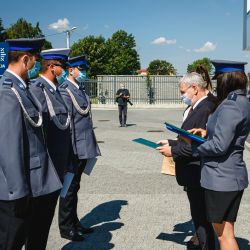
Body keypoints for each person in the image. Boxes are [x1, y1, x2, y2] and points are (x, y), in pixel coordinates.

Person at [0, 38, 62, 250]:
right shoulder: (8, 92)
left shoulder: (21, 88)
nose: (37, 66)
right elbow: (8, 146)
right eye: (35, 61)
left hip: (33, 182)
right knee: (11, 242)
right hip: (17, 190)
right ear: (25, 59)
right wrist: (18, 192)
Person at [190, 60, 250, 250]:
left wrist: (194, 148)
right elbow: (230, 134)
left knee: (223, 235)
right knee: (227, 231)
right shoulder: (242, 100)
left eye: (219, 80)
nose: (217, 84)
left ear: (227, 81)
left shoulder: (229, 105)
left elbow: (219, 146)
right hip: (230, 176)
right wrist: (206, 133)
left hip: (221, 178)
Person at [156, 72, 216, 250]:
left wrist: (172, 150)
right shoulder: (200, 106)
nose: (181, 95)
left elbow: (200, 146)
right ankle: (201, 240)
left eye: (183, 91)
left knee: (202, 215)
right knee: (199, 214)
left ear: (195, 88)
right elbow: (190, 139)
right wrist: (172, 142)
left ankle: (206, 245)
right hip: (193, 172)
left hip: (198, 171)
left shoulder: (206, 108)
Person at [28, 48, 71, 249]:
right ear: (52, 67)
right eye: (63, 67)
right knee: (37, 224)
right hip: (46, 169)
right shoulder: (37, 88)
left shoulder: (55, 90)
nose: (66, 71)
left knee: (44, 223)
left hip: (58, 167)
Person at [58, 55, 101, 241]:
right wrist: (69, 151)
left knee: (75, 187)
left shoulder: (79, 89)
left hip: (83, 147)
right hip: (73, 149)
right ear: (71, 70)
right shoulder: (65, 90)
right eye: (80, 69)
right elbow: (66, 125)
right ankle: (66, 227)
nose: (83, 72)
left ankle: (74, 222)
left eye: (84, 69)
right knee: (68, 189)